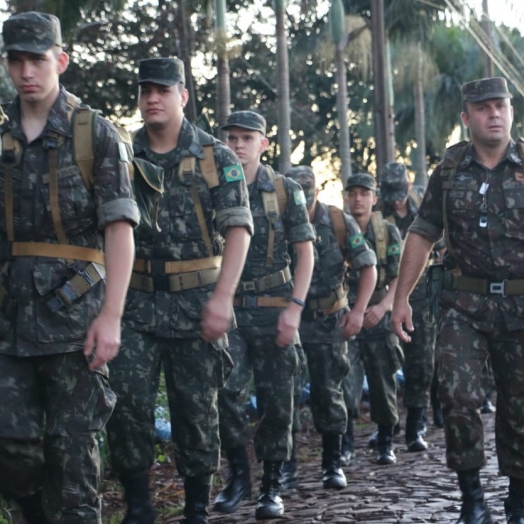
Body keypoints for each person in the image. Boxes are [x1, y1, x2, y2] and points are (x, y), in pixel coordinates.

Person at [0, 12, 139, 524]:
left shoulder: (94, 134)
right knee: (11, 454)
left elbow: (119, 231)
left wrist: (112, 315)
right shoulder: (1, 136)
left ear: (60, 59)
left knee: (73, 463)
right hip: (9, 322)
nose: (26, 71)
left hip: (75, 321)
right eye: (15, 60)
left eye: (36, 59)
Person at [105, 59, 253, 524]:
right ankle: (139, 506)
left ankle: (195, 509)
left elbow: (238, 230)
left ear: (182, 96)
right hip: (135, 302)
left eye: (163, 90)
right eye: (145, 89)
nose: (152, 98)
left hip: (196, 304)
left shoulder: (215, 156)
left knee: (196, 411)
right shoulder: (122, 155)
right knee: (126, 407)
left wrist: (223, 298)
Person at [392, 77, 524, 524]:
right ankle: (472, 497)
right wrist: (400, 298)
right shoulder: (449, 170)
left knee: (519, 403)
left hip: (521, 307)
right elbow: (423, 232)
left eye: (500, 106)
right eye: (483, 108)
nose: (494, 115)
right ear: (466, 118)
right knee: (458, 395)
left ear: (511, 112)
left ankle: (519, 499)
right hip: (463, 305)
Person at [213, 111, 315, 520]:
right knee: (225, 394)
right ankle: (238, 475)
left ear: (263, 144)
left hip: (275, 307)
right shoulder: (213, 185)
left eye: (246, 138)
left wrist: (295, 308)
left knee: (278, 402)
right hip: (231, 309)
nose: (238, 145)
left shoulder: (285, 190)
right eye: (232, 138)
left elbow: (305, 251)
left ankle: (271, 484)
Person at [283, 166, 377, 487]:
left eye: (306, 198)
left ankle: (332, 462)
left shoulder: (337, 221)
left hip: (329, 319)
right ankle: (287, 465)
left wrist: (359, 312)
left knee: (328, 392)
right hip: (289, 321)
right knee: (286, 394)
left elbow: (368, 268)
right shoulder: (277, 219)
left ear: (316, 194)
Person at [343, 173, 403, 465]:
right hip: (346, 314)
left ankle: (385, 441)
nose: (357, 199)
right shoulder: (338, 228)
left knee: (382, 381)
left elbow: (399, 278)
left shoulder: (388, 231)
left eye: (364, 193)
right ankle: (345, 444)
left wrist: (384, 308)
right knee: (344, 381)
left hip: (377, 313)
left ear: (374, 198)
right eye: (352, 193)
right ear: (345, 197)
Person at [379, 162, 437, 451]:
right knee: (387, 360)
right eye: (391, 193)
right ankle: (388, 424)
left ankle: (416, 425)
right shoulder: (377, 213)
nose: (397, 199)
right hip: (385, 295)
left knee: (421, 361)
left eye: (400, 192)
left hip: (422, 294)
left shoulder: (425, 205)